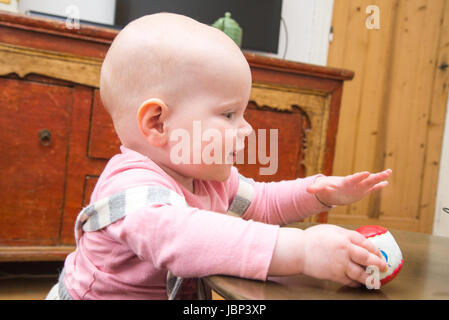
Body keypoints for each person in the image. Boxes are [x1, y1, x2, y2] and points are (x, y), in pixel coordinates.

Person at [46, 13, 390, 300]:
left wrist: (319, 193)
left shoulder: (206, 177)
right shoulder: (131, 188)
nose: (247, 130)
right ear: (158, 122)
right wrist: (302, 250)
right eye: (229, 115)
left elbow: (265, 202)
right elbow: (185, 239)